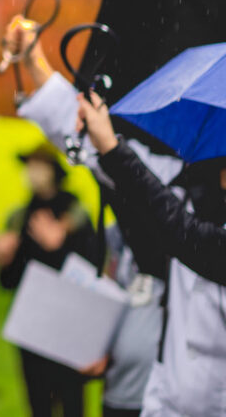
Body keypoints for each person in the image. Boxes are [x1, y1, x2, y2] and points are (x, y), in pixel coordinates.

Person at [2, 15, 174, 416]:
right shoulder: (146, 182)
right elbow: (100, 148)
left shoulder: (195, 216)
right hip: (118, 389)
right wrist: (34, 62)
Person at [77, 91, 226, 417]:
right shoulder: (196, 195)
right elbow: (173, 219)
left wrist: (112, 150)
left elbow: (185, 235)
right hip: (165, 398)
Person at [0, 146, 98, 417]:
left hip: (68, 325)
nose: (33, 173)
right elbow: (7, 282)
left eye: (40, 165)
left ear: (54, 171)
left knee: (72, 402)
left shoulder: (75, 214)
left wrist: (60, 247)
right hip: (31, 325)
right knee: (39, 403)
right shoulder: (19, 217)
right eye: (30, 165)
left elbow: (91, 272)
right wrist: (5, 258)